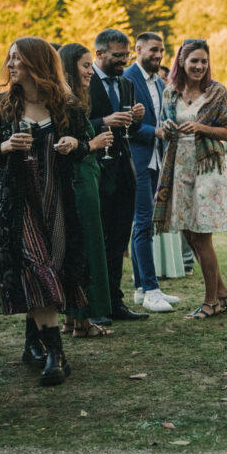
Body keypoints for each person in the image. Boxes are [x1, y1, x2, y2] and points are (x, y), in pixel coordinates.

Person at [0, 38, 90, 386]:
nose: (10, 64)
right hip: (17, 203)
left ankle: (33, 343)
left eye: (18, 59)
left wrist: (75, 144)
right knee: (37, 264)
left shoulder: (66, 106)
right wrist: (5, 145)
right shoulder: (1, 105)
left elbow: (85, 144)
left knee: (51, 267)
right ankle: (57, 353)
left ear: (37, 64)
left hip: (57, 200)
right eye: (9, 58)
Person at [153, 39, 227, 319]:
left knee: (202, 235)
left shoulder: (217, 92)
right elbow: (163, 129)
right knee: (189, 232)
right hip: (178, 167)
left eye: (204, 61)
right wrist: (165, 129)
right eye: (194, 61)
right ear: (181, 62)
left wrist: (201, 127)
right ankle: (223, 295)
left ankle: (211, 301)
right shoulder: (170, 93)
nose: (200, 66)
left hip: (206, 169)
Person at [86, 29, 147, 322]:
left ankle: (115, 301)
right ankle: (93, 306)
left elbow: (130, 130)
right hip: (95, 168)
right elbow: (75, 123)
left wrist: (136, 119)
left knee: (119, 237)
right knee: (97, 238)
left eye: (127, 55)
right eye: (118, 56)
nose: (124, 61)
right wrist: (104, 121)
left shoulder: (126, 84)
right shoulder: (84, 81)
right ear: (99, 53)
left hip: (123, 170)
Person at [58, 43, 116, 338]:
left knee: (76, 249)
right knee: (86, 248)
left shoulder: (70, 100)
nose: (91, 71)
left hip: (84, 179)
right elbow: (68, 146)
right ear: (69, 67)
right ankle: (82, 321)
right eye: (85, 65)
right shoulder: (68, 103)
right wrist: (95, 144)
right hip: (80, 182)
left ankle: (72, 319)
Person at [125, 31, 181, 313]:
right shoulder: (127, 79)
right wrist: (155, 131)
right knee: (143, 223)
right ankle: (150, 289)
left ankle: (140, 288)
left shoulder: (160, 82)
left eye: (161, 50)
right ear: (138, 49)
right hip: (136, 160)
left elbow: (161, 118)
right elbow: (126, 122)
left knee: (142, 224)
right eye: (153, 50)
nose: (158, 55)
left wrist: (168, 127)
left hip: (156, 160)